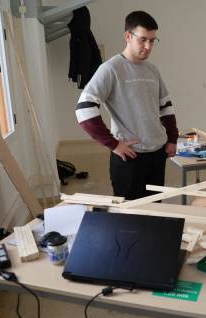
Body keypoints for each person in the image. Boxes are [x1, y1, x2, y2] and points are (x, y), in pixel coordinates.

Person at [75, 11, 178, 200]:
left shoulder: (152, 70)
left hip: (157, 154)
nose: (148, 47)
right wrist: (113, 144)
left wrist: (172, 138)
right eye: (143, 40)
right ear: (128, 36)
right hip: (129, 157)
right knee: (129, 217)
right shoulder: (110, 69)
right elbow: (84, 109)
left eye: (153, 40)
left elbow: (166, 107)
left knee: (156, 210)